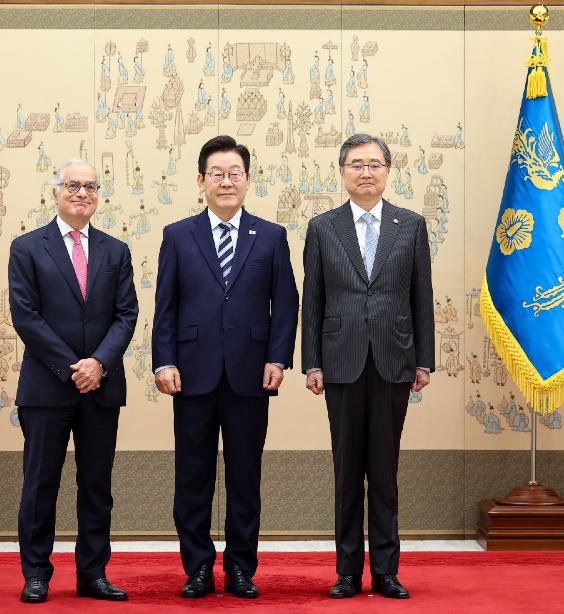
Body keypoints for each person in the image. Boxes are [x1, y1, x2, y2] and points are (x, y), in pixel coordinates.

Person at [152, 135, 298, 599]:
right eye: (217, 173)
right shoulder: (177, 236)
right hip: (191, 375)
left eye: (235, 173)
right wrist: (163, 361)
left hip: (250, 375)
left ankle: (240, 568)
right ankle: (196, 568)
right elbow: (165, 308)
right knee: (192, 478)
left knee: (245, 477)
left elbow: (286, 304)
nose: (226, 181)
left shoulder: (272, 237)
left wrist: (278, 357)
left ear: (248, 180)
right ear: (200, 181)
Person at [301, 133, 435, 600]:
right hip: (340, 363)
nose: (365, 172)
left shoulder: (411, 225)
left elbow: (422, 298)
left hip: (394, 361)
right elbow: (312, 302)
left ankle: (386, 571)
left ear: (387, 171)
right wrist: (312, 363)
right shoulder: (322, 228)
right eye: (356, 164)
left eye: (374, 164)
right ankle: (345, 573)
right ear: (341, 173)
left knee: (385, 470)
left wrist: (425, 360)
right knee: (346, 471)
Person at [9, 158, 138, 604]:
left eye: (91, 186)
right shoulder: (27, 248)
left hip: (101, 387)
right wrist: (72, 367)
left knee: (97, 486)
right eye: (73, 185)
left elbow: (127, 315)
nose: (82, 193)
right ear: (56, 192)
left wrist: (98, 364)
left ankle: (92, 574)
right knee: (41, 483)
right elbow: (26, 316)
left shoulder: (115, 251)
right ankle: (36, 574)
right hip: (47, 388)